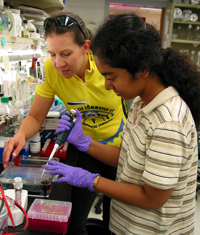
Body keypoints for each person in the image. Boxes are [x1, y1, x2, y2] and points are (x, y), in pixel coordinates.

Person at [45, 13, 200, 235]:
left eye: (112, 77)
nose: (107, 86)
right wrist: (85, 143)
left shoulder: (168, 122)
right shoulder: (140, 103)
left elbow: (152, 198)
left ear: (142, 69)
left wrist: (91, 180)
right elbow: (126, 157)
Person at [2, 12, 127, 235]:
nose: (59, 63)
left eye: (66, 54)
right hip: (86, 149)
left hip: (119, 149)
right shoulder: (52, 71)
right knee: (75, 222)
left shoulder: (106, 67)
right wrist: (20, 136)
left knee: (115, 223)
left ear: (86, 47)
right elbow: (35, 117)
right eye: (52, 54)